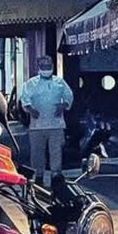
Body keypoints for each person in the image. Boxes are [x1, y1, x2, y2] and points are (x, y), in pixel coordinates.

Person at [19, 56, 73, 186]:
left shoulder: (60, 82)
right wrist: (31, 110)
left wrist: (64, 105)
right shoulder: (31, 83)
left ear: (52, 66)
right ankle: (38, 178)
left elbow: (69, 96)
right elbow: (25, 99)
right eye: (43, 66)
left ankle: (56, 177)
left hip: (56, 125)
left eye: (48, 66)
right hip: (37, 126)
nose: (46, 68)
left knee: (56, 153)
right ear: (38, 67)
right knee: (37, 153)